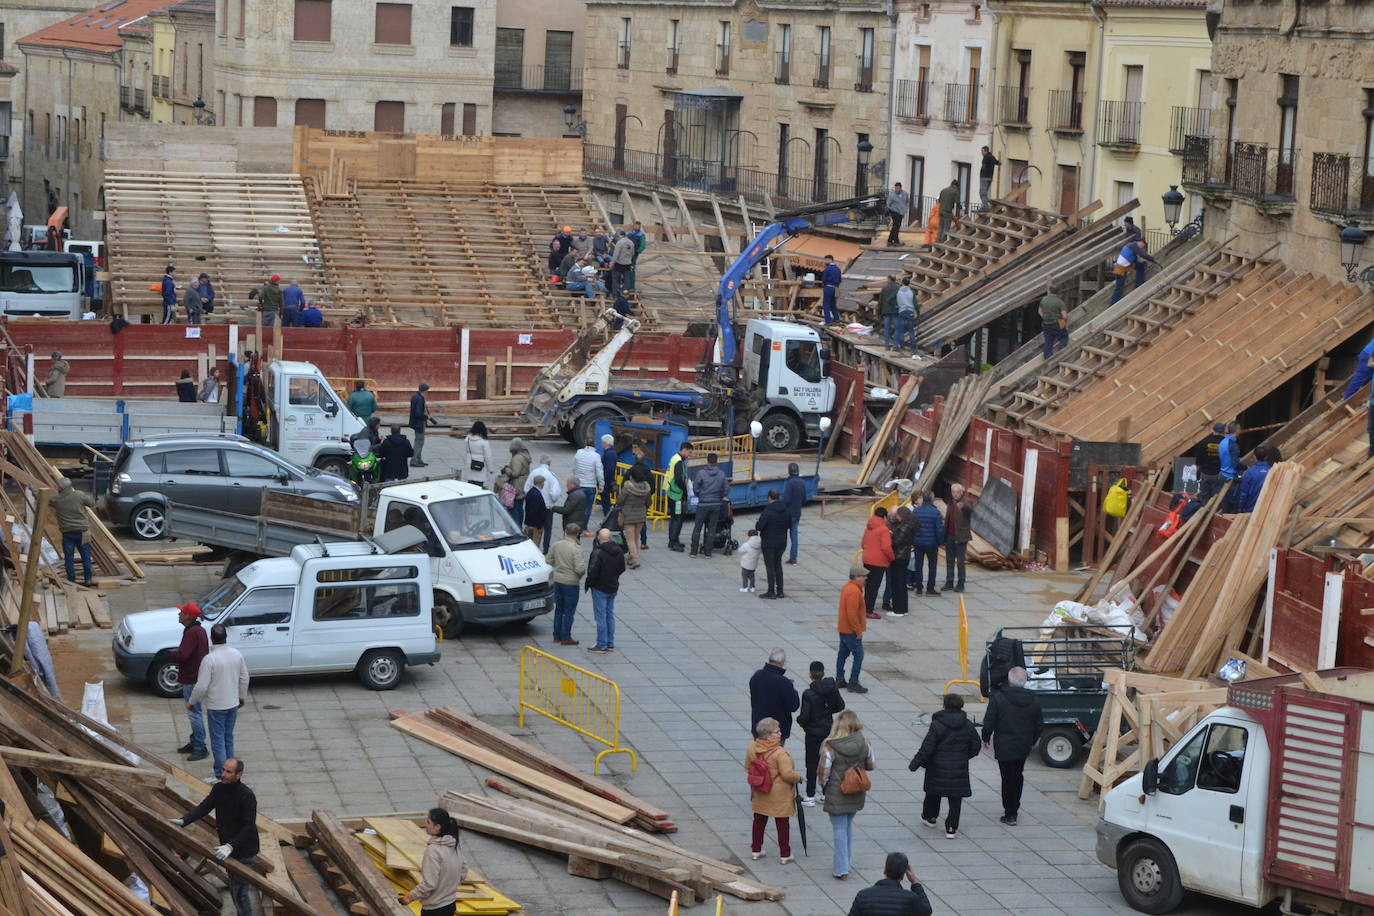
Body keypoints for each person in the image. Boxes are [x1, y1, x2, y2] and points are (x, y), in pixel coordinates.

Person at [172, 757, 259, 914]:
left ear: (239, 775)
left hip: (243, 850)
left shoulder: (246, 796)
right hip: (228, 847)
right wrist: (184, 820)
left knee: (240, 891)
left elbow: (249, 827)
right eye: (222, 770)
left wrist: (231, 846)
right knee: (235, 887)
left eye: (228, 771)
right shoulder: (219, 789)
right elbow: (205, 807)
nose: (223, 774)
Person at [908, 692, 982, 839]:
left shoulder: (937, 725)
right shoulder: (967, 725)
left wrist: (915, 763)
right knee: (955, 799)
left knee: (933, 792)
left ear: (945, 705)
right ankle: (951, 827)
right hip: (959, 768)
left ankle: (930, 817)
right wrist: (964, 756)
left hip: (937, 766)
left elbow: (927, 748)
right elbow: (976, 745)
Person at [981, 666, 1044, 826]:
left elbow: (990, 720)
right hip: (1023, 745)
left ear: (1009, 680)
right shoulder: (1034, 700)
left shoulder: (998, 698)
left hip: (1004, 745)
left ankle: (1009, 812)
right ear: (1025, 681)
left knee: (1007, 777)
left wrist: (986, 737)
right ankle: (1013, 810)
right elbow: (1039, 725)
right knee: (1017, 776)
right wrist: (1031, 741)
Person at [188, 623, 249, 781]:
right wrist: (241, 696)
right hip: (233, 703)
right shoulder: (236, 654)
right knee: (228, 737)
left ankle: (221, 775)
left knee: (218, 741)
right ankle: (233, 772)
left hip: (216, 706)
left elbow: (201, 686)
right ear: (226, 637)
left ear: (211, 638)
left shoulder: (209, 659)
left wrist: (192, 701)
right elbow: (244, 678)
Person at [819, 709, 875, 880]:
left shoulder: (830, 747)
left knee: (839, 830)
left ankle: (841, 868)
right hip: (856, 790)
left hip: (837, 791)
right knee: (848, 826)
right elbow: (871, 765)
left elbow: (824, 773)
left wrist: (824, 787)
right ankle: (846, 864)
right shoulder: (865, 743)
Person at [745, 717, 802, 864]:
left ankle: (756, 850)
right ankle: (785, 854)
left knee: (759, 820)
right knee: (782, 823)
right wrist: (799, 778)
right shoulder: (780, 753)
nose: (780, 733)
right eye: (777, 731)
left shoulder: (752, 748)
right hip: (779, 792)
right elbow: (787, 774)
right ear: (768, 735)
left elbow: (747, 767)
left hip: (759, 789)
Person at [399, 808, 467, 915]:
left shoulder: (433, 850)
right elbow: (463, 872)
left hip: (434, 909)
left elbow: (429, 884)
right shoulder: (454, 843)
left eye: (428, 822)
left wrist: (410, 896)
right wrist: (447, 887)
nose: (425, 825)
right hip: (450, 905)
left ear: (438, 827)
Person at [797, 661, 845, 806]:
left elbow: (804, 716)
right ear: (823, 672)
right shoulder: (832, 688)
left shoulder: (808, 693)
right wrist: (828, 711)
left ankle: (810, 795)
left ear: (810, 674)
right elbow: (840, 705)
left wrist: (800, 721)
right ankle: (826, 793)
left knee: (811, 763)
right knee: (827, 761)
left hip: (812, 732)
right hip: (828, 730)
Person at [172, 602, 210, 762]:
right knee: (195, 712)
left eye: (181, 612)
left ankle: (200, 747)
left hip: (192, 679)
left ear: (188, 616)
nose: (179, 614)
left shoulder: (192, 633)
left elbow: (184, 655)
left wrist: (171, 655)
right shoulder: (198, 630)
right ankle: (195, 742)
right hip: (196, 677)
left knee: (194, 713)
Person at [847, 852, 933, 916]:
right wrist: (914, 883)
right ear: (903, 875)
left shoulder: (863, 895)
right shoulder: (910, 898)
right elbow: (927, 911)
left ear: (885, 870)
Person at [585, 528, 625, 653]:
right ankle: (610, 642)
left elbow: (592, 571)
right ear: (610, 538)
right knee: (609, 614)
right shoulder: (618, 550)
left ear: (598, 538)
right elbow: (622, 568)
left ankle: (601, 644)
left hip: (600, 588)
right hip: (613, 586)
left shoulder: (598, 552)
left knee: (600, 616)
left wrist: (589, 584)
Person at [749, 648, 801, 745]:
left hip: (759, 727)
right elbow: (794, 706)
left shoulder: (757, 676)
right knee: (774, 757)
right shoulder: (784, 682)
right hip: (776, 730)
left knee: (760, 755)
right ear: (782, 662)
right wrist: (793, 690)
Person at [547, 522, 586, 646]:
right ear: (577, 534)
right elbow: (579, 568)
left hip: (558, 581)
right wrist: (580, 575)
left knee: (559, 609)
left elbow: (548, 560)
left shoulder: (556, 545)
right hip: (571, 582)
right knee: (569, 611)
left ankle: (556, 635)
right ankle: (566, 637)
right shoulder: (576, 548)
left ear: (565, 532)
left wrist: (558, 567)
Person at [52, 477, 95, 586]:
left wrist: (33, 492)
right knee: (85, 556)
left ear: (61, 488)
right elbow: (92, 503)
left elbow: (43, 498)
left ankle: (71, 580)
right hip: (83, 531)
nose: (57, 488)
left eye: (58, 486)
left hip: (68, 532)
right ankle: (88, 579)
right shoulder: (79, 495)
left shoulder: (56, 499)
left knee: (69, 557)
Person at [835, 565, 869, 693]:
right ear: (856, 577)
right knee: (859, 655)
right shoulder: (854, 591)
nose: (866, 578)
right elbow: (852, 614)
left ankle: (839, 679)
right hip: (850, 630)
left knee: (842, 654)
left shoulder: (847, 587)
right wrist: (858, 630)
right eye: (863, 576)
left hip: (843, 628)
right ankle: (853, 681)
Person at [690, 452, 729, 558]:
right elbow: (726, 490)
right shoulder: (721, 474)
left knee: (697, 528)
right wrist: (720, 497)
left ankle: (694, 551)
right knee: (711, 529)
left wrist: (701, 495)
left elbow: (695, 488)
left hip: (702, 504)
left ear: (707, 461)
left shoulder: (701, 473)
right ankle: (708, 552)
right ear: (717, 462)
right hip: (716, 504)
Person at [756, 488, 790, 599]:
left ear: (769, 498)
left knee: (770, 567)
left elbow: (759, 527)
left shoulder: (768, 511)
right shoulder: (785, 509)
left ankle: (771, 591)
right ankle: (780, 591)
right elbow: (789, 524)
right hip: (781, 542)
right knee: (778, 565)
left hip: (769, 543)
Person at [616, 465, 651, 569]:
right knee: (636, 538)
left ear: (632, 477)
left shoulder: (627, 488)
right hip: (641, 517)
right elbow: (649, 502)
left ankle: (635, 560)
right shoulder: (646, 489)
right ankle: (632, 557)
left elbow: (619, 501)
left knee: (630, 539)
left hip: (628, 517)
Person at [861, 507, 894, 616]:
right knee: (874, 586)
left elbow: (862, 543)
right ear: (884, 517)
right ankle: (869, 611)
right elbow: (886, 547)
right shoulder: (883, 529)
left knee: (868, 585)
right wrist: (891, 557)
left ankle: (865, 607)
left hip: (866, 559)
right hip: (878, 561)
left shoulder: (869, 527)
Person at [886, 506, 915, 617]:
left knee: (897, 584)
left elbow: (896, 543)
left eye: (897, 515)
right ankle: (904, 608)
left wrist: (891, 536)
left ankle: (898, 610)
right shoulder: (909, 525)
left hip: (899, 557)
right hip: (904, 556)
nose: (896, 517)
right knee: (902, 584)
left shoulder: (904, 527)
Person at [912, 492, 943, 596]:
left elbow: (912, 527)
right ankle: (930, 588)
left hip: (918, 543)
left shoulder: (916, 511)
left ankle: (919, 588)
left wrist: (913, 540)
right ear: (931, 499)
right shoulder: (936, 512)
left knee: (918, 565)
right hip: (932, 543)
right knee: (932, 565)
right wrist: (940, 542)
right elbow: (939, 529)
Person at [943, 485, 973, 592]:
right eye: (953, 492)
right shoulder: (950, 502)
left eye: (957, 492)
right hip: (949, 535)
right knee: (949, 560)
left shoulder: (966, 502)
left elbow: (970, 511)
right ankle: (949, 582)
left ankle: (961, 583)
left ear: (961, 493)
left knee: (960, 561)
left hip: (961, 536)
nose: (955, 494)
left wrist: (964, 507)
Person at [571, 437, 605, 531]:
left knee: (578, 507)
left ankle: (575, 526)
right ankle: (584, 527)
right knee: (587, 508)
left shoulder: (578, 452)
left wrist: (576, 476)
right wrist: (601, 485)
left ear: (586, 444)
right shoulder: (596, 456)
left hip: (579, 485)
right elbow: (599, 472)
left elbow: (573, 467)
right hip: (590, 485)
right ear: (594, 445)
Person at [1110, 239, 1157, 304]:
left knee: (1140, 266)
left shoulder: (1131, 246)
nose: (1142, 248)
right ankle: (1113, 303)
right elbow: (1142, 254)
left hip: (1124, 267)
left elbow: (1134, 259)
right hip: (1120, 269)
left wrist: (1143, 263)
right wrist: (1152, 259)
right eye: (1142, 246)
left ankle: (1139, 283)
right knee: (1119, 287)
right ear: (1141, 243)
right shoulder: (1134, 246)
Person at [664, 443, 691, 551]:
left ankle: (673, 541)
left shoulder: (674, 458)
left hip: (671, 492)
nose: (689, 455)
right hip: (677, 495)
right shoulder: (679, 462)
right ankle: (674, 542)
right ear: (684, 450)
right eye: (689, 452)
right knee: (677, 519)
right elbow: (679, 479)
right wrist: (685, 493)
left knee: (674, 518)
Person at [500, 437, 533, 526]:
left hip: (517, 485)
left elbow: (515, 473)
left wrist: (505, 469)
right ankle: (519, 525)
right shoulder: (524, 455)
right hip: (524, 483)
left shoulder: (517, 458)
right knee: (520, 507)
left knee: (514, 507)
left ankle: (516, 526)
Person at [1239, 445, 1276, 513]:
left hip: (1250, 509)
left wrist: (1240, 507)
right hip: (1266, 510)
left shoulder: (1249, 472)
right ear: (1266, 457)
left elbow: (1244, 493)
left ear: (1254, 457)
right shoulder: (1273, 471)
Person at [1038, 288, 1069, 360]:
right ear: (1057, 293)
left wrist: (1045, 318)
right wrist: (1063, 324)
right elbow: (1065, 316)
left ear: (1049, 291)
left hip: (1046, 324)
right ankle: (1060, 354)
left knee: (1048, 342)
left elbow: (1039, 312)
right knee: (1064, 337)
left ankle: (1048, 359)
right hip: (1057, 323)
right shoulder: (1060, 302)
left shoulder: (1043, 299)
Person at [1219, 421, 1242, 513]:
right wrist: (1245, 468)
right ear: (1236, 431)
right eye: (1240, 429)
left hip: (1222, 474)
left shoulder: (1223, 441)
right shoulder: (1233, 445)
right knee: (1232, 505)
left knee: (1225, 503)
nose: (1241, 431)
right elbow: (1235, 463)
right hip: (1230, 477)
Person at [462, 421, 494, 488]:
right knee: (479, 486)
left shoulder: (467, 439)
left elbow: (466, 452)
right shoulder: (484, 442)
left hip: (470, 463)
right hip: (480, 466)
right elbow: (488, 457)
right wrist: (491, 469)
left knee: (470, 485)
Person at [523, 474, 552, 548]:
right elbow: (533, 513)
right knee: (534, 546)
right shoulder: (535, 494)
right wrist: (539, 525)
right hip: (534, 527)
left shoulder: (532, 492)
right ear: (541, 483)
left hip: (533, 525)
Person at [409, 382, 431, 467]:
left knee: (419, 441)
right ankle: (414, 460)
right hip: (419, 423)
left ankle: (419, 459)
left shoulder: (416, 396)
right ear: (425, 391)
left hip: (416, 423)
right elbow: (418, 413)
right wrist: (426, 417)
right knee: (419, 442)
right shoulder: (420, 398)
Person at [598, 433, 619, 515]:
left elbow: (610, 469)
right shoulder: (611, 453)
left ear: (605, 443)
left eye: (602, 442)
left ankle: (607, 522)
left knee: (606, 503)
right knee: (606, 503)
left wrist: (602, 480)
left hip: (606, 482)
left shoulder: (609, 454)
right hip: (607, 481)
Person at [877, 276, 900, 349]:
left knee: (886, 328)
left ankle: (887, 345)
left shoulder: (884, 288)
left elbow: (880, 301)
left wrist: (879, 311)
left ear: (889, 279)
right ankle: (896, 345)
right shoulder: (898, 288)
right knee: (896, 328)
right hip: (895, 311)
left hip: (886, 311)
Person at [610, 230, 635, 297]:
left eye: (618, 235)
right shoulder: (631, 242)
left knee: (615, 279)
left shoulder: (620, 242)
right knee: (627, 279)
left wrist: (612, 263)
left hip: (619, 263)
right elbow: (633, 253)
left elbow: (616, 254)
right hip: (628, 263)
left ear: (621, 235)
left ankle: (615, 294)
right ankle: (626, 294)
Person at [895, 278, 917, 352]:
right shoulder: (911, 292)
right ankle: (913, 347)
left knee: (901, 330)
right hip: (910, 312)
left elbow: (891, 300)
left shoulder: (899, 292)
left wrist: (896, 307)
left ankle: (901, 346)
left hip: (902, 311)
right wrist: (917, 313)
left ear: (902, 283)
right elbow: (915, 304)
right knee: (911, 330)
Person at [820, 254, 843, 324]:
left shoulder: (827, 269)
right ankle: (836, 318)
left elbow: (824, 280)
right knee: (833, 304)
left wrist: (824, 284)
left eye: (826, 260)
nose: (825, 261)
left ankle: (828, 321)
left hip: (828, 287)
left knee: (826, 305)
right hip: (835, 288)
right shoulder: (838, 269)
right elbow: (840, 279)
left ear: (830, 260)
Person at [738, 528, 761, 593]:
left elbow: (740, 551)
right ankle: (752, 587)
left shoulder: (746, 544)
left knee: (744, 576)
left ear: (749, 536)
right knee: (752, 576)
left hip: (746, 563)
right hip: (754, 563)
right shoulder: (759, 544)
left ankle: (745, 587)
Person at [979, 146, 1000, 210]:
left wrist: (983, 171)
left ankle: (986, 206)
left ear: (986, 151)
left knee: (982, 193)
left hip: (984, 177)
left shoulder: (985, 158)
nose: (981, 153)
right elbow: (998, 162)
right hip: (990, 178)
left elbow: (983, 167)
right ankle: (986, 205)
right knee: (984, 192)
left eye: (982, 151)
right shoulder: (992, 157)